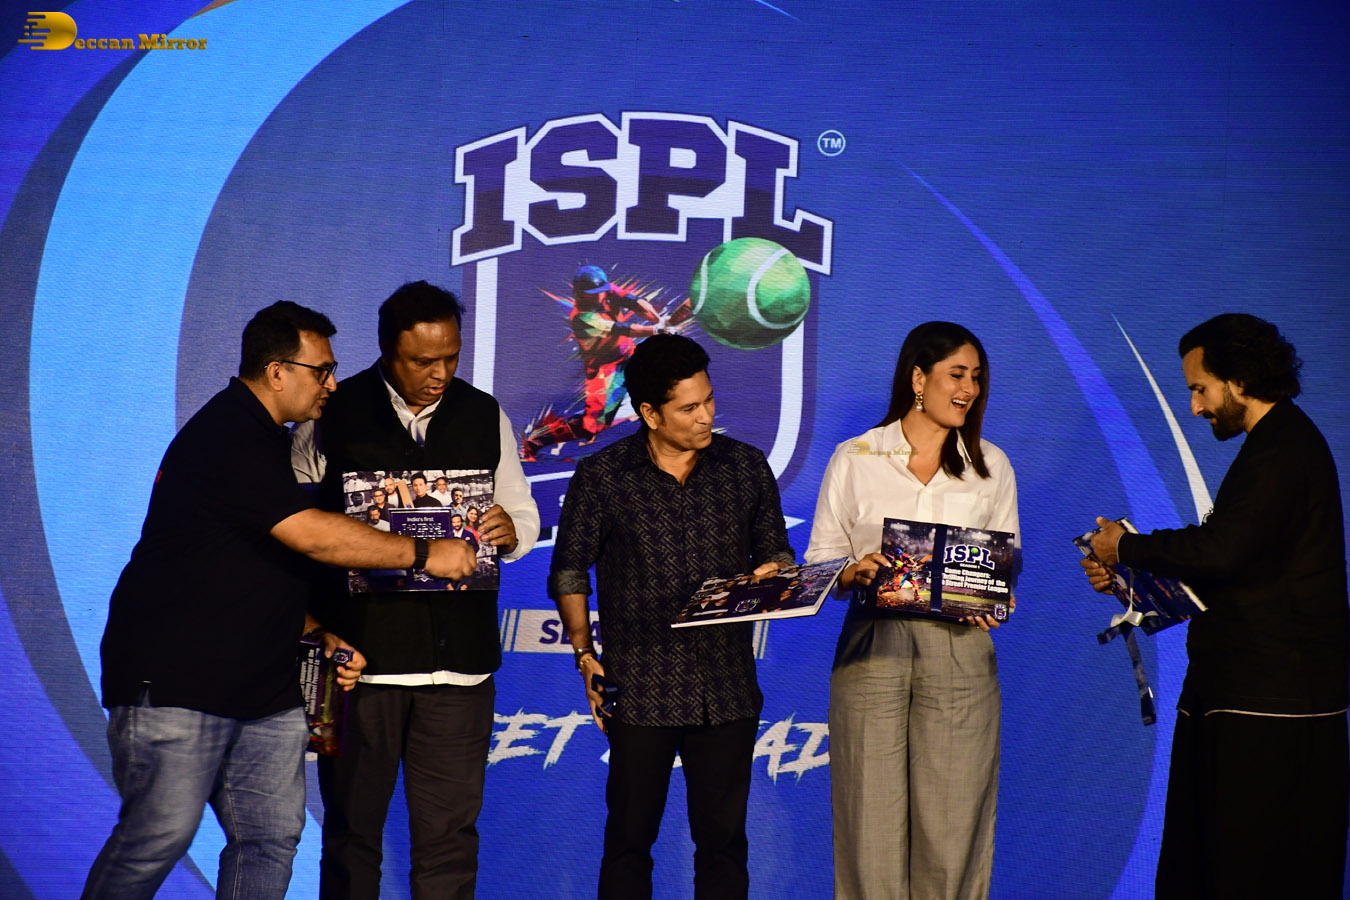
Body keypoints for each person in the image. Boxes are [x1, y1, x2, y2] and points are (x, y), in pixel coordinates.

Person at [82, 301, 477, 900]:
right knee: (157, 836)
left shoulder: (271, 440)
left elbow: (247, 565)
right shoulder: (226, 434)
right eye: (322, 371)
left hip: (264, 689)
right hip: (178, 681)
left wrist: (315, 630)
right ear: (276, 372)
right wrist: (425, 553)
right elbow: (309, 535)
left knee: (269, 838)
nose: (332, 384)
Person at [1080, 313, 1347, 899]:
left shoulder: (1284, 448)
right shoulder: (1274, 446)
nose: (1195, 407)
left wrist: (1126, 547)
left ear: (1240, 380)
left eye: (1200, 389)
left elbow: (1222, 551)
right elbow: (1234, 567)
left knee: (1244, 875)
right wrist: (1129, 580)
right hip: (1244, 699)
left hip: (1269, 713)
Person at [292, 281, 539, 900]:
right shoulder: (331, 413)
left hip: (460, 669)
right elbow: (291, 527)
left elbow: (522, 512)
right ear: (386, 352)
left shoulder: (484, 413)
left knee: (450, 841)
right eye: (423, 361)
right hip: (360, 668)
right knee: (351, 838)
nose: (440, 374)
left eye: (451, 357)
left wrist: (511, 531)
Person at [549, 333, 794, 900]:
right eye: (689, 408)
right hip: (640, 689)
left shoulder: (745, 467)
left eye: (709, 400)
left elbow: (776, 551)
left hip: (727, 689)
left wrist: (775, 572)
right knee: (628, 843)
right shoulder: (604, 476)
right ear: (650, 413)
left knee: (724, 845)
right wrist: (585, 654)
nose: (706, 416)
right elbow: (569, 569)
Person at [804, 321, 1019, 900]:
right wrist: (852, 571)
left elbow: (1005, 558)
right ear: (918, 378)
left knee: (953, 824)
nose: (969, 388)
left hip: (960, 650)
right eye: (957, 374)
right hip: (873, 644)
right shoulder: (857, 456)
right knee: (868, 824)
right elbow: (820, 561)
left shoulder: (991, 464)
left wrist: (996, 594)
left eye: (977, 377)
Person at [521, 265, 686, 459]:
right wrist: (657, 330)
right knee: (592, 426)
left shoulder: (604, 290)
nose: (600, 296)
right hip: (606, 371)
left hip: (630, 356)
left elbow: (635, 303)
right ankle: (537, 441)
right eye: (593, 294)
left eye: (601, 291)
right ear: (579, 294)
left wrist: (659, 320)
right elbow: (624, 329)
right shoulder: (582, 318)